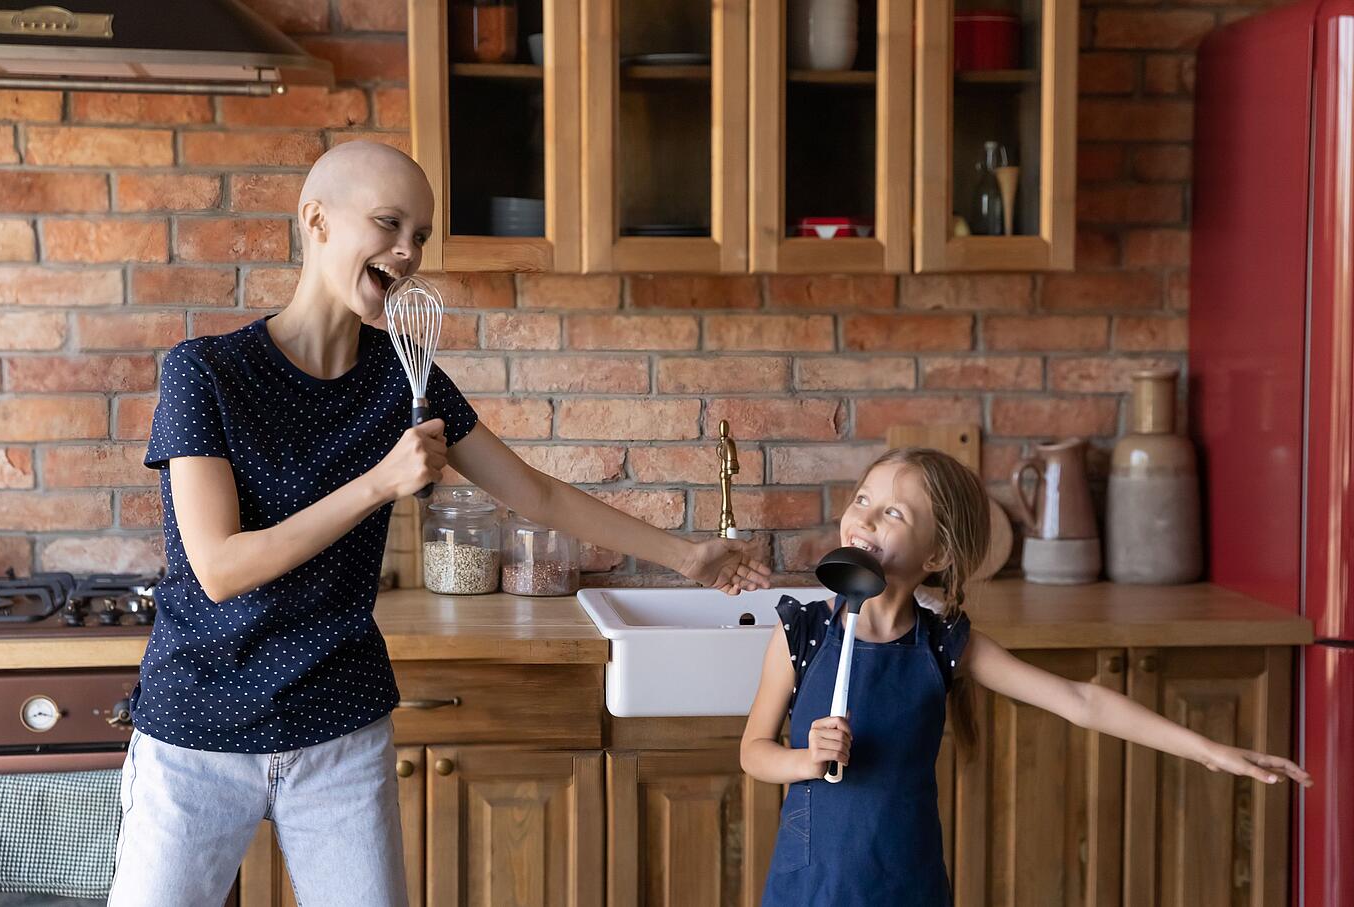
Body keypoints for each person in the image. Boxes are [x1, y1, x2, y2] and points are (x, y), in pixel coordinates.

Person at [107, 141, 770, 907]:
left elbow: (536, 495)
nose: (408, 251)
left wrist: (686, 555)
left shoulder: (405, 374)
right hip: (199, 726)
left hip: (339, 728)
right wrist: (379, 483)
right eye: (389, 223)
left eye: (420, 235)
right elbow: (220, 567)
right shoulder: (206, 371)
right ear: (316, 220)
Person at [740, 447, 1310, 905]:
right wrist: (805, 761)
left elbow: (1081, 701)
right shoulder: (803, 632)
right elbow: (752, 752)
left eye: (893, 512)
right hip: (808, 883)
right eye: (863, 498)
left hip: (904, 880)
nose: (863, 516)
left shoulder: (945, 646)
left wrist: (1207, 749)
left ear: (935, 554)